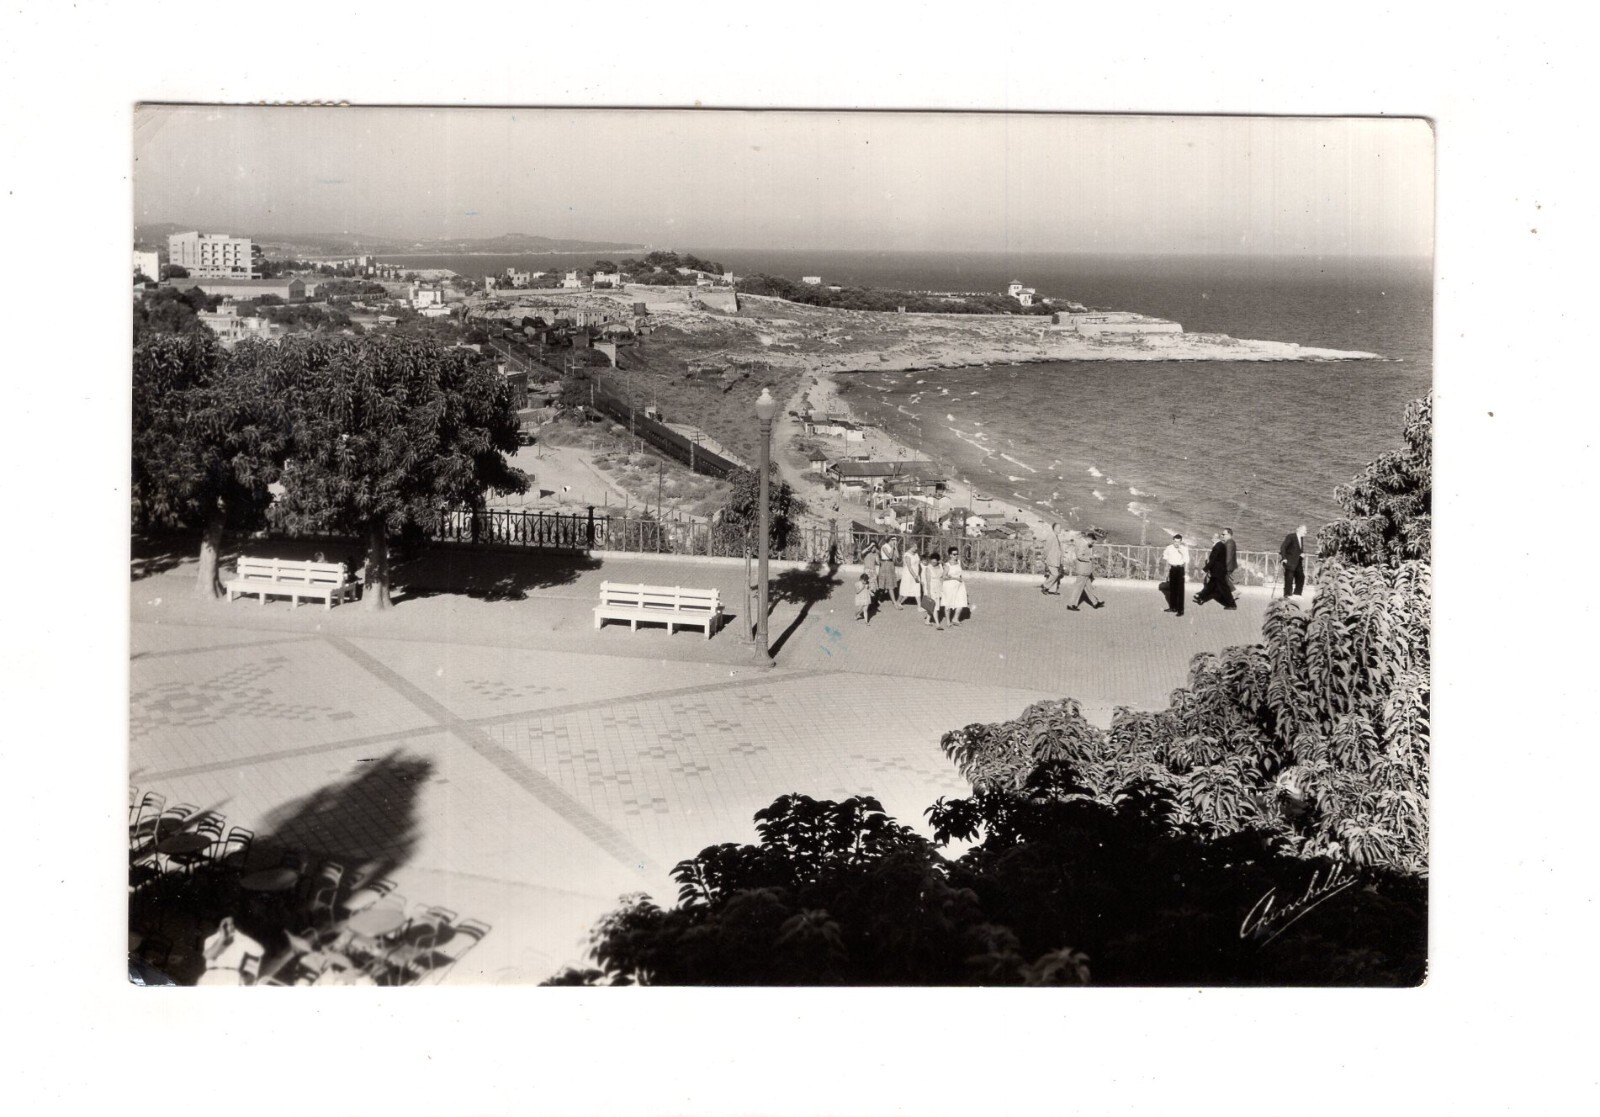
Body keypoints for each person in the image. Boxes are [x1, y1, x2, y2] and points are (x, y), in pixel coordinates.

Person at [1063, 529, 1106, 611]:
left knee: (1088, 587)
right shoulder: (1083, 544)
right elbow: (1079, 556)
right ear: (1089, 539)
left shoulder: (1081, 542)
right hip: (1083, 569)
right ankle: (1071, 604)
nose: (1092, 544)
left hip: (1084, 570)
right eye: (1092, 542)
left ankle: (1095, 603)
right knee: (1078, 588)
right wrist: (1090, 557)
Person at [1194, 532, 1238, 609]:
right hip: (1218, 571)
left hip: (1218, 572)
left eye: (1213, 537)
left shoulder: (1217, 546)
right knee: (1210, 586)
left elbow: (1213, 560)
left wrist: (1205, 569)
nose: (1211, 538)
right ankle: (1201, 598)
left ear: (1215, 538)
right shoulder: (1220, 545)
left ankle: (1232, 604)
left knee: (1224, 589)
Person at [1162, 533, 1190, 616]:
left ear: (1181, 542)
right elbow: (1165, 556)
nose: (1176, 543)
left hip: (1180, 569)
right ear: (1173, 541)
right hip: (1172, 569)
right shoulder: (1169, 548)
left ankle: (1180, 610)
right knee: (1172, 588)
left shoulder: (1184, 549)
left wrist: (1182, 553)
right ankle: (1173, 607)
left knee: (1180, 590)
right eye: (1175, 541)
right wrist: (1169, 560)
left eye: (1178, 542)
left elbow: (1187, 560)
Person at [941, 546, 969, 626]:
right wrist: (955, 578)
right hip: (949, 586)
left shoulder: (959, 562)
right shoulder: (947, 565)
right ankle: (948, 621)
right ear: (950, 555)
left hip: (959, 585)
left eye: (957, 554)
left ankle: (955, 619)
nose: (956, 556)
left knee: (961, 602)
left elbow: (959, 573)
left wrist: (960, 579)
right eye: (954, 554)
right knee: (948, 603)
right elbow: (944, 577)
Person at [1279, 523, 1308, 598]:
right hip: (1289, 561)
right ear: (1299, 530)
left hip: (1298, 561)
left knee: (1301, 577)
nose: (1306, 532)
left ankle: (1297, 594)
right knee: (1289, 578)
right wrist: (1284, 558)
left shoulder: (1301, 538)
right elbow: (1283, 547)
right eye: (1304, 530)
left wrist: (1301, 554)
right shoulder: (1291, 536)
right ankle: (1287, 595)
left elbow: (1298, 549)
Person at [920, 550, 944, 629]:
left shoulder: (940, 566)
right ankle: (937, 624)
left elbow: (942, 577)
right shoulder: (928, 568)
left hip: (938, 587)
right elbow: (928, 581)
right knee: (935, 606)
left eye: (935, 561)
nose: (933, 562)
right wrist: (929, 592)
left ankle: (927, 620)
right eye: (932, 560)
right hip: (931, 588)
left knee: (932, 605)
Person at [1040, 522, 1065, 595]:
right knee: (1055, 574)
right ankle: (1045, 586)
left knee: (1054, 573)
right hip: (1051, 559)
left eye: (1060, 528)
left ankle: (1053, 590)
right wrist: (1044, 557)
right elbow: (1046, 548)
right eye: (1058, 528)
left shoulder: (1056, 536)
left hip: (1056, 559)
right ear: (1054, 529)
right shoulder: (1051, 536)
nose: (1060, 529)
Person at [876, 535, 899, 604]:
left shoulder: (892, 547)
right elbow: (890, 556)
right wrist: (892, 547)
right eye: (893, 540)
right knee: (884, 584)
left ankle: (878, 598)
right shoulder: (884, 547)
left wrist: (895, 547)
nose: (895, 542)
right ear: (890, 540)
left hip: (891, 565)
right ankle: (894, 602)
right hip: (885, 565)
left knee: (888, 583)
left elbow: (897, 556)